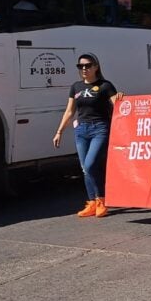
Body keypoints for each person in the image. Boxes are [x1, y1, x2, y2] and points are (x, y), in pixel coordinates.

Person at [54, 53, 124, 218]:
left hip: (100, 128)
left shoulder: (105, 86)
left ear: (96, 67)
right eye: (81, 66)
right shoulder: (76, 87)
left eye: (88, 65)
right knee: (85, 169)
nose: (84, 69)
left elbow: (119, 107)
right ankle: (92, 202)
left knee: (91, 164)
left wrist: (121, 99)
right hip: (81, 130)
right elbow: (70, 111)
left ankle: (101, 200)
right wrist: (59, 131)